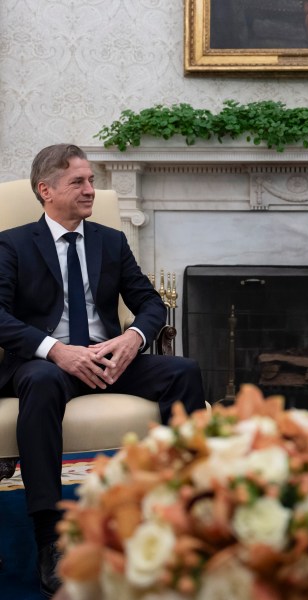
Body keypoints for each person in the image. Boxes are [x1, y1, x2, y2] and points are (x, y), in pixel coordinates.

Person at [0, 144, 205, 597]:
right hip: (46, 363)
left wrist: (131, 340)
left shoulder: (109, 241)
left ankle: (189, 509)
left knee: (183, 370)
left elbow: (149, 303)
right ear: (46, 190)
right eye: (79, 182)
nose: (91, 190)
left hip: (109, 358)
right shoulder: (13, 243)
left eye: (92, 180)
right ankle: (50, 532)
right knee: (41, 381)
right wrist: (55, 350)